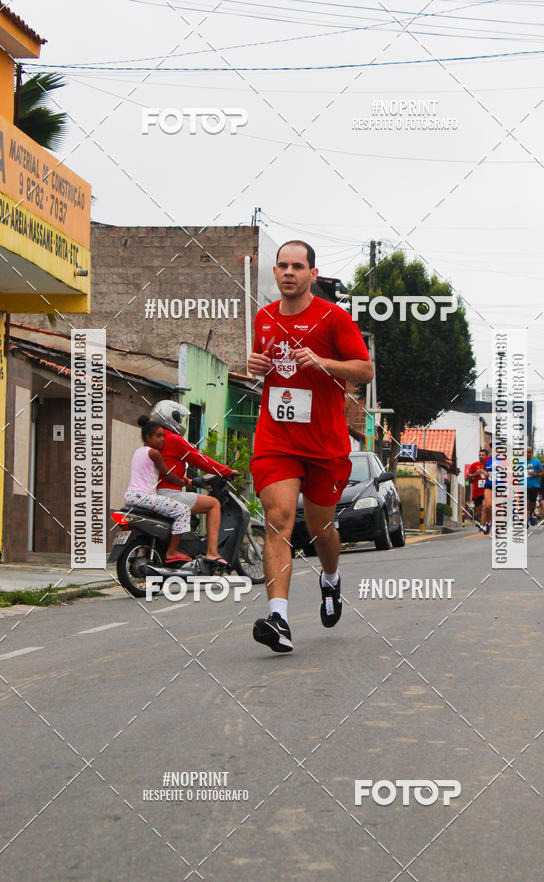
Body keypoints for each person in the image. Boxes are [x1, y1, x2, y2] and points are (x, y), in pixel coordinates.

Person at [248, 240, 373, 652]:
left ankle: (331, 580)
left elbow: (365, 370)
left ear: (312, 275)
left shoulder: (333, 318)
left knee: (321, 530)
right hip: (276, 439)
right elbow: (268, 368)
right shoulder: (263, 318)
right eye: (282, 265)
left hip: (323, 443)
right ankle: (279, 618)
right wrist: (255, 367)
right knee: (279, 518)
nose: (288, 272)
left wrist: (324, 363)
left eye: (297, 266)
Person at [150, 400, 239, 568]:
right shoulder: (174, 439)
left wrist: (188, 481)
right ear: (171, 417)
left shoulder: (155, 440)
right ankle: (212, 553)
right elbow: (200, 459)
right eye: (178, 418)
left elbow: (167, 471)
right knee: (213, 504)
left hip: (154, 493)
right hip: (169, 494)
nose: (181, 422)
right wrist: (227, 471)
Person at [124, 416, 193, 564]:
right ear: (148, 437)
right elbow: (168, 475)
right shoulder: (154, 453)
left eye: (163, 435)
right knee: (183, 511)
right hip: (144, 496)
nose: (162, 439)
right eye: (158, 436)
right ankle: (172, 551)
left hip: (131, 496)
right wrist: (187, 482)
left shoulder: (138, 452)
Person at [467, 449, 488, 529]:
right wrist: (476, 474)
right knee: (478, 510)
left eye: (483, 455)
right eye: (480, 455)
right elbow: (468, 476)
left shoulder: (489, 465)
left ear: (486, 456)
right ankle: (480, 520)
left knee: (484, 506)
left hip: (486, 491)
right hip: (477, 491)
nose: (481, 456)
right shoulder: (474, 465)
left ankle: (484, 523)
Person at [526, 446, 544, 527]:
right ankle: (526, 521)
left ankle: (530, 515)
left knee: (532, 504)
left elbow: (543, 473)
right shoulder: (520, 462)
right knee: (526, 503)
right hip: (524, 486)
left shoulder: (536, 462)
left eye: (529, 452)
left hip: (534, 486)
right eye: (526, 451)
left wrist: (535, 474)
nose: (527, 453)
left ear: (531, 453)